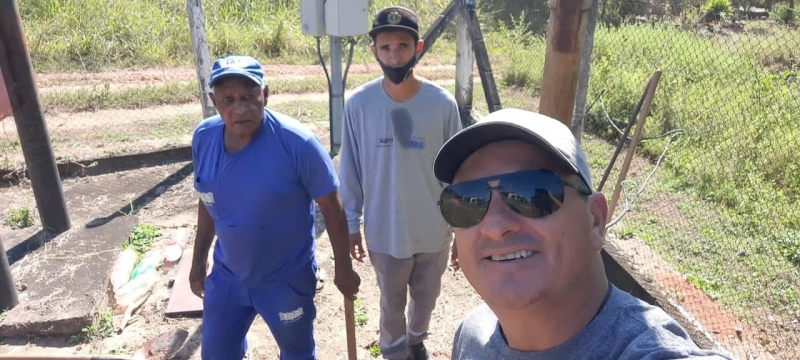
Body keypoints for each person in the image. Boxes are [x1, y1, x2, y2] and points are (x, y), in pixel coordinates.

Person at [432, 108, 736, 359]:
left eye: (532, 193)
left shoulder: (647, 350)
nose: (496, 226)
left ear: (594, 219)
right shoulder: (470, 336)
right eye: (468, 201)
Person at [188, 55, 360, 360]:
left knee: (296, 353)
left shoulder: (298, 143)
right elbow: (208, 199)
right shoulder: (204, 137)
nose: (239, 107)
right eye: (228, 98)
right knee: (216, 355)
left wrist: (343, 268)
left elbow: (333, 210)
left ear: (265, 94)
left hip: (286, 280)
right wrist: (198, 258)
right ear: (214, 101)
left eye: (249, 96)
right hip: (228, 277)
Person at [337, 5, 463, 360]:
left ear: (418, 48)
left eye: (402, 47)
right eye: (386, 47)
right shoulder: (359, 104)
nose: (394, 56)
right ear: (373, 50)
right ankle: (393, 351)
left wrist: (461, 228)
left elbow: (458, 173)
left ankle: (415, 339)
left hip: (433, 230)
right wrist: (352, 224)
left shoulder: (441, 104)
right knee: (391, 302)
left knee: (426, 297)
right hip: (385, 230)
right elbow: (351, 169)